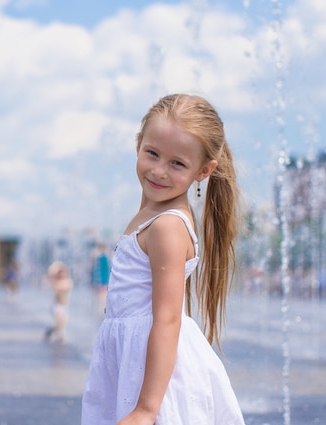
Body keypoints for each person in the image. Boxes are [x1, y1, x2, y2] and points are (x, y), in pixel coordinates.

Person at [81, 94, 245, 425]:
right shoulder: (152, 214)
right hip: (136, 361)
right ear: (138, 143)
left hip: (153, 377)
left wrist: (146, 409)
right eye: (152, 154)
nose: (158, 171)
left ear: (204, 171)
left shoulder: (168, 226)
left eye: (177, 163)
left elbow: (168, 319)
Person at [44, 261, 74, 344]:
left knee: (61, 323)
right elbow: (51, 273)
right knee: (60, 322)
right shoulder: (56, 282)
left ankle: (50, 331)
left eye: (64, 273)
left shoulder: (68, 282)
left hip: (64, 306)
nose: (63, 275)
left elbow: (63, 287)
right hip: (56, 306)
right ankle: (61, 338)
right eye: (61, 273)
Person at [90, 241, 111, 317]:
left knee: (101, 296)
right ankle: (101, 310)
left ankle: (100, 310)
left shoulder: (101, 257)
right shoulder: (104, 257)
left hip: (100, 279)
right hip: (103, 279)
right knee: (102, 296)